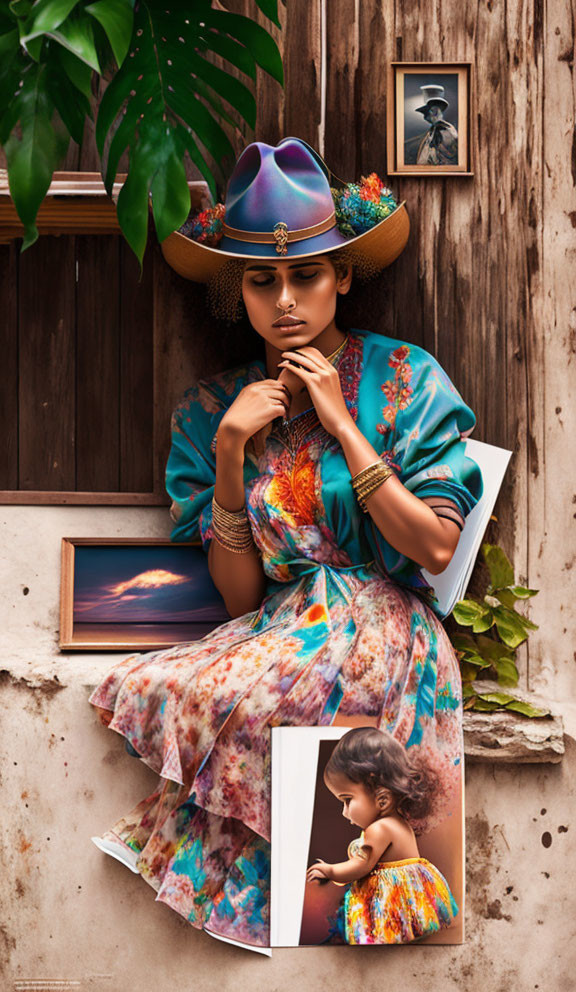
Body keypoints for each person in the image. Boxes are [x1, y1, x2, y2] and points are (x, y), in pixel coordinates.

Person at [88, 137, 482, 949]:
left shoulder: (405, 380)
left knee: (260, 705)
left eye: (307, 275)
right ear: (240, 291)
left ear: (342, 275)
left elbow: (436, 549)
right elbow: (239, 597)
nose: (286, 300)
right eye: (262, 281)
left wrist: (341, 421)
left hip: (384, 624)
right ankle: (256, 896)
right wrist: (232, 454)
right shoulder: (213, 408)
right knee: (166, 687)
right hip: (282, 623)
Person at [306, 726, 458, 944]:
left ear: (382, 799)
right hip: (411, 893)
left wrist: (331, 870)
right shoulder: (398, 822)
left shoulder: (379, 829)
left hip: (393, 898)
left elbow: (361, 866)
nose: (344, 811)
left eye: (347, 800)